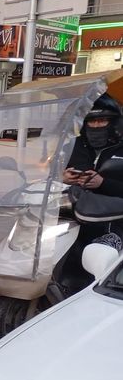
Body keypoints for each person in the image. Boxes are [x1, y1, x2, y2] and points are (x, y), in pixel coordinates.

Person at [59, 93, 123, 293]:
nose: (96, 126)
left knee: (104, 265)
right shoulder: (74, 145)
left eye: (101, 120)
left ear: (114, 123)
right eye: (92, 121)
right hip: (76, 216)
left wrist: (103, 183)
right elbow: (49, 172)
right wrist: (63, 177)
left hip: (114, 220)